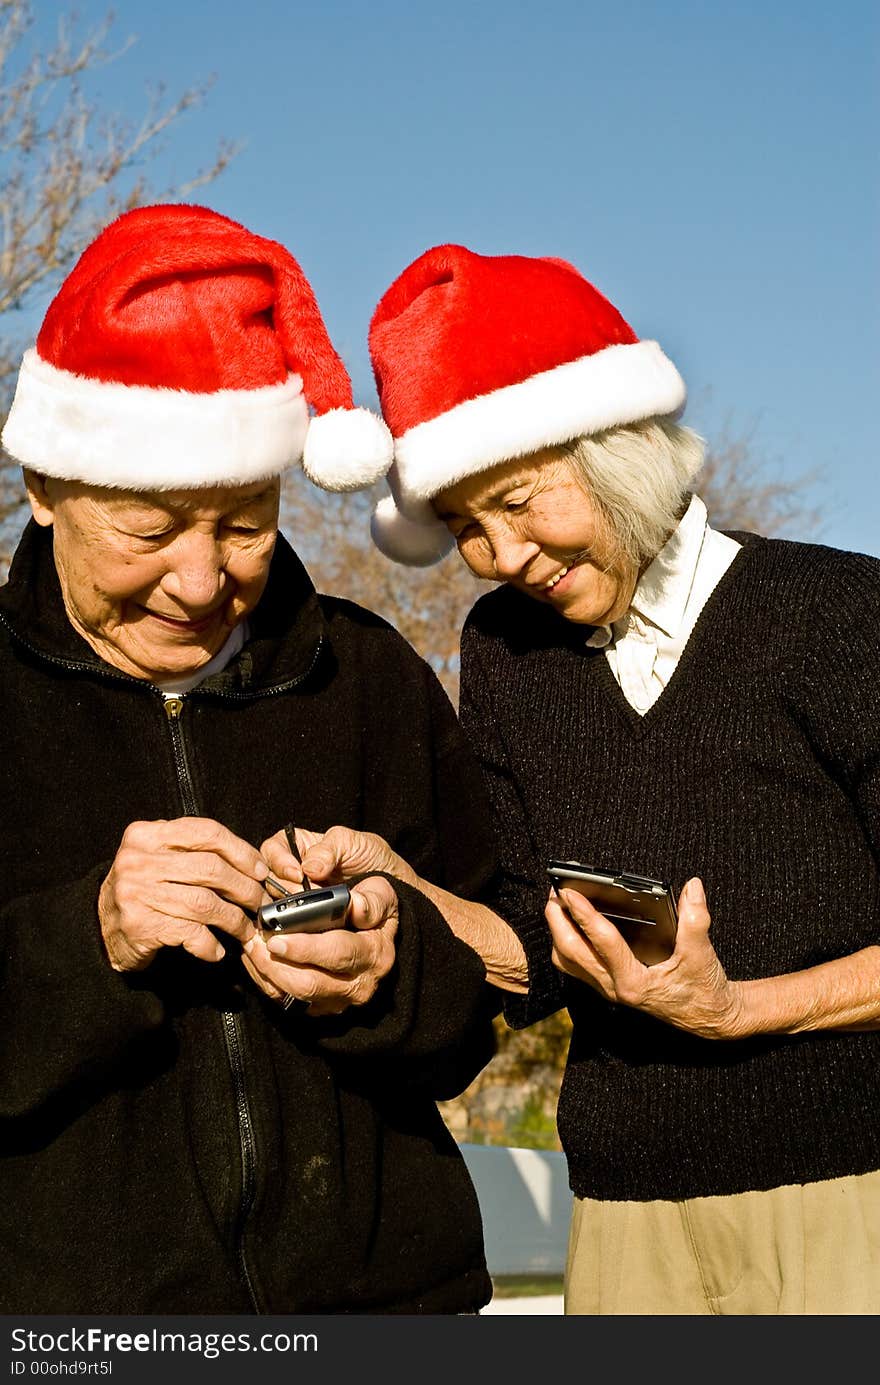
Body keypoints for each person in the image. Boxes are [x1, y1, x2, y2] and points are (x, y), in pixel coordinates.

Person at [275, 243, 880, 1315]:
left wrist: (739, 1009)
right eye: (464, 526)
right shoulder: (505, 654)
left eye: (516, 502)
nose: (500, 554)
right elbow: (531, 937)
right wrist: (397, 886)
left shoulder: (838, 615)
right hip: (625, 1214)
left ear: (618, 454)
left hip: (849, 1191)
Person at [0, 209, 503, 1315]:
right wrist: (92, 940)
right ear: (44, 485)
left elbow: (484, 1005)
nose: (197, 579)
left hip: (391, 1309)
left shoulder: (365, 675)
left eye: (242, 524)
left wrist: (392, 965)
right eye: (147, 531)